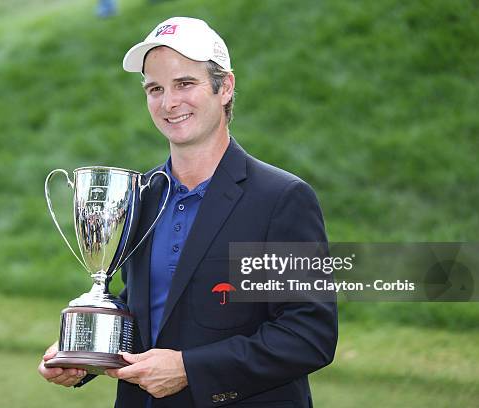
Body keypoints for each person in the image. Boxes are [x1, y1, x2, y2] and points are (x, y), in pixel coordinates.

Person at [39, 16, 338, 408]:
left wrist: (190, 369)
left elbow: (308, 336)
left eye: (185, 84)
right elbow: (150, 309)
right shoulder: (140, 195)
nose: (169, 102)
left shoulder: (281, 199)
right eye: (155, 88)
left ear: (225, 87)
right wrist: (85, 349)